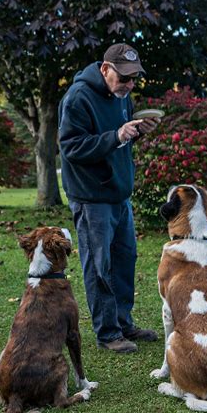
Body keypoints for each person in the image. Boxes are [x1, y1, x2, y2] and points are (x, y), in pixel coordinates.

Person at [58, 43, 160, 353]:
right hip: (92, 198)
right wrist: (116, 136)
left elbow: (118, 139)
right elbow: (71, 147)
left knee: (124, 261)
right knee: (99, 266)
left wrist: (137, 131)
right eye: (124, 77)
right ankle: (107, 333)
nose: (129, 85)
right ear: (105, 69)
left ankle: (123, 322)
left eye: (133, 79)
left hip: (119, 195)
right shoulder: (78, 98)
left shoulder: (122, 97)